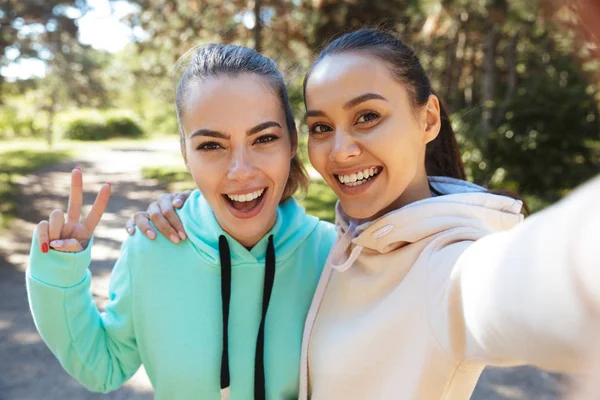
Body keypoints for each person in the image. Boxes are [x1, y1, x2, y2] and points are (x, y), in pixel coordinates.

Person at [133, 29, 600, 399]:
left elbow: (520, 281)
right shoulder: (340, 244)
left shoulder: (447, 264)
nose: (340, 150)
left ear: (429, 119)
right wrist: (189, 208)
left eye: (367, 117)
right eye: (321, 126)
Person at [26, 44, 336, 399]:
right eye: (211, 146)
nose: (241, 171)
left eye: (264, 138)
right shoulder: (150, 249)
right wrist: (60, 273)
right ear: (185, 153)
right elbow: (102, 368)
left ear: (292, 142)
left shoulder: (333, 255)